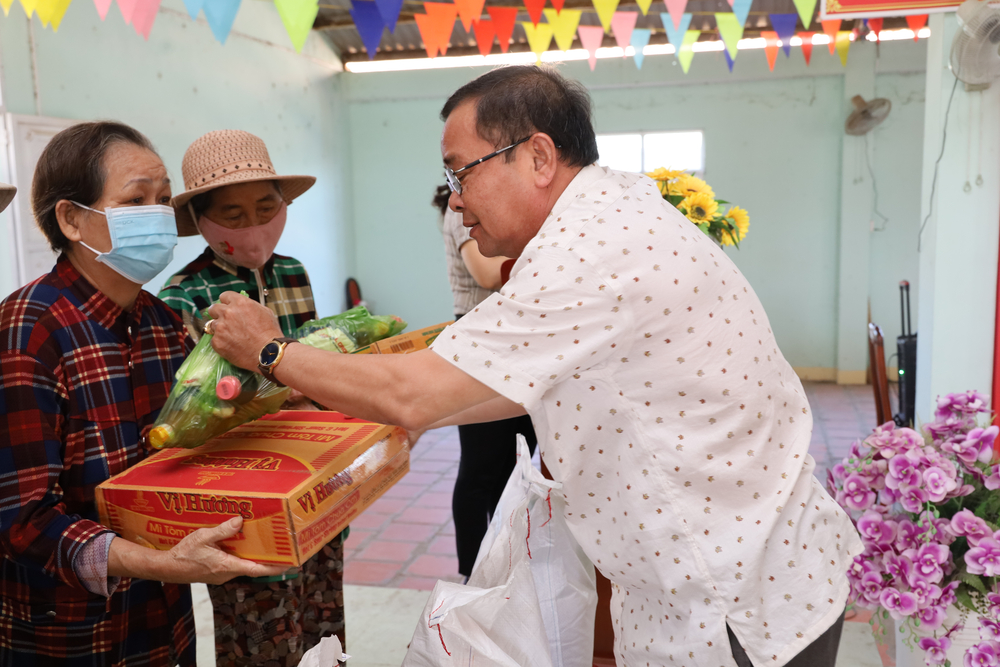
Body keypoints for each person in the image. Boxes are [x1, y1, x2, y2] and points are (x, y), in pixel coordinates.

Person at [206, 66, 863, 667]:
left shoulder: (586, 251)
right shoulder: (614, 211)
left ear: (539, 155)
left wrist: (274, 352)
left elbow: (414, 391)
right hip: (751, 570)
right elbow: (514, 383)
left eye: (460, 172)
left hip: (734, 602)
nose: (454, 201)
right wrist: (416, 414)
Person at [0, 122, 284, 667]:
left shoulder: (161, 323)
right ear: (71, 218)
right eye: (135, 200)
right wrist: (165, 563)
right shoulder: (28, 330)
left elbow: (186, 451)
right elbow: (24, 520)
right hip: (69, 632)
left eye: (162, 199)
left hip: (162, 621)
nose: (157, 216)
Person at [158, 129, 345, 666]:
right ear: (201, 221)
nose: (254, 224)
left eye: (266, 207)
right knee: (259, 625)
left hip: (312, 467)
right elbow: (204, 409)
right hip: (244, 486)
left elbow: (315, 361)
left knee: (322, 612)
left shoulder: (292, 273)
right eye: (233, 214)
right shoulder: (184, 296)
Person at [434, 185, 538, 579]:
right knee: (479, 468)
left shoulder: (505, 204)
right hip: (478, 343)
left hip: (517, 342)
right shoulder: (462, 207)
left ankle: (506, 565)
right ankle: (473, 574)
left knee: (517, 464)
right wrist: (560, 260)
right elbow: (487, 272)